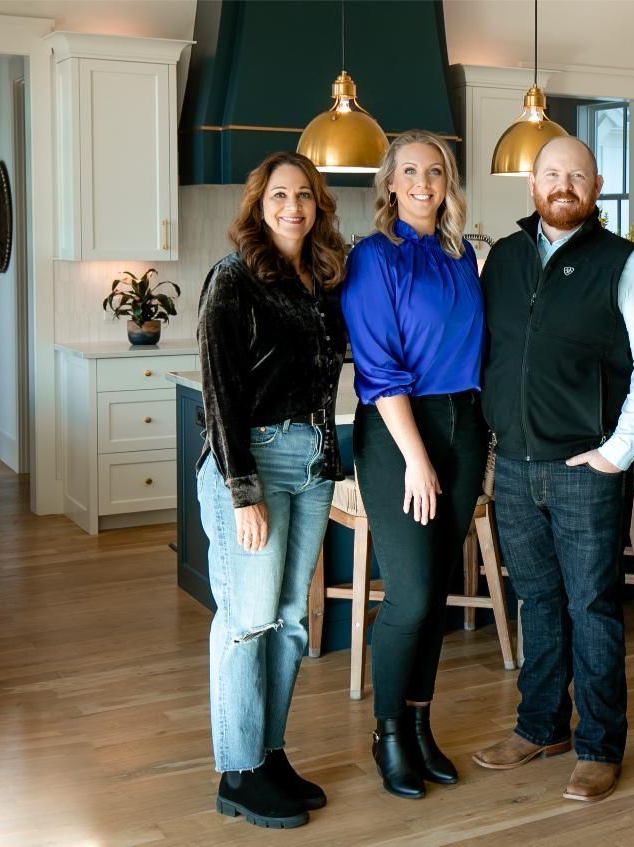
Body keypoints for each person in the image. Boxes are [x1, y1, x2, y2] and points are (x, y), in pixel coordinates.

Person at [471, 136, 634, 804]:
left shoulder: (627, 263)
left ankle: (598, 745)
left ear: (596, 185)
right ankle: (540, 726)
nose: (564, 184)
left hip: (586, 465)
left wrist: (620, 449)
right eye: (552, 174)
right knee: (537, 599)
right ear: (532, 185)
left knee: (590, 605)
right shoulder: (501, 259)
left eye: (577, 175)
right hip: (515, 461)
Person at [197, 151, 347, 829]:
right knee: (246, 618)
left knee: (288, 619)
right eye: (280, 195)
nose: (293, 206)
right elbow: (219, 389)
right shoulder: (232, 280)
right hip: (251, 461)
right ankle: (238, 771)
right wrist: (242, 489)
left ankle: (270, 751)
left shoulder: (320, 280)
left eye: (305, 196)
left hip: (313, 464)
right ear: (259, 205)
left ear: (319, 206)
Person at [339, 130, 488, 800]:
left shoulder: (464, 257)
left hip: (465, 424)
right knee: (412, 593)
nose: (424, 182)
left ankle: (422, 724)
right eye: (410, 172)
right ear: (390, 184)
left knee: (438, 591)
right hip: (402, 433)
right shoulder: (374, 257)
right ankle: (388, 731)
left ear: (448, 183)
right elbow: (378, 367)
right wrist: (418, 459)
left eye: (436, 171)